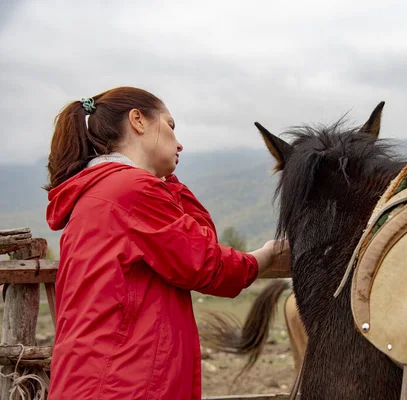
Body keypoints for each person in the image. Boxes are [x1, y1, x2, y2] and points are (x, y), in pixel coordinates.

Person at [44, 86, 291, 399]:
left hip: (96, 376)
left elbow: (196, 241)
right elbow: (207, 263)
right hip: (124, 381)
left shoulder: (101, 191)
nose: (180, 143)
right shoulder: (132, 190)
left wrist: (164, 178)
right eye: (171, 126)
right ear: (138, 121)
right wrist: (266, 256)